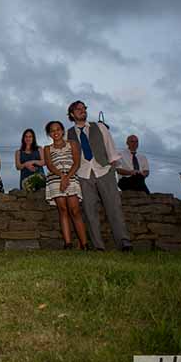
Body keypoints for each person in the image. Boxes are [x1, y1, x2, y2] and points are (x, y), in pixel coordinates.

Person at [67, 100, 132, 252]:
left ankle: (124, 241)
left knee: (114, 207)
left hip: (104, 170)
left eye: (84, 108)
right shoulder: (67, 134)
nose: (82, 110)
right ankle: (98, 246)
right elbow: (69, 156)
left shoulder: (100, 127)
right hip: (83, 174)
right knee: (90, 211)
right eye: (78, 109)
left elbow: (111, 147)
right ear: (71, 114)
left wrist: (113, 168)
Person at [44, 121, 87, 250]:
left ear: (62, 131)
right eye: (52, 130)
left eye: (58, 129)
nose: (55, 132)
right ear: (49, 134)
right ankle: (68, 244)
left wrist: (67, 178)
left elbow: (76, 163)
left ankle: (84, 243)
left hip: (71, 177)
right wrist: (62, 177)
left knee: (75, 210)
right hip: (55, 179)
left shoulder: (72, 144)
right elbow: (50, 166)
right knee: (62, 210)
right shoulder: (47, 149)